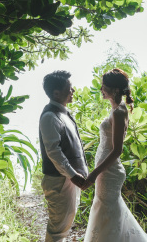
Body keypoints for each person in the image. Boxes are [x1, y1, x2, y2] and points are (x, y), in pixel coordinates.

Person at [82, 68, 147, 242]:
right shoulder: (116, 109)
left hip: (109, 172)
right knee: (107, 213)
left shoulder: (119, 112)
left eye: (103, 86)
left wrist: (94, 173)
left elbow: (117, 150)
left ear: (114, 90)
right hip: (106, 171)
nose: (101, 90)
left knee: (107, 214)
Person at [39, 70, 89, 242]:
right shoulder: (50, 117)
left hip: (67, 180)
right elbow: (53, 152)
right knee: (58, 229)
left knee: (64, 226)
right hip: (60, 181)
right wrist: (73, 175)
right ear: (56, 93)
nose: (73, 91)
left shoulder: (62, 114)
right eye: (70, 88)